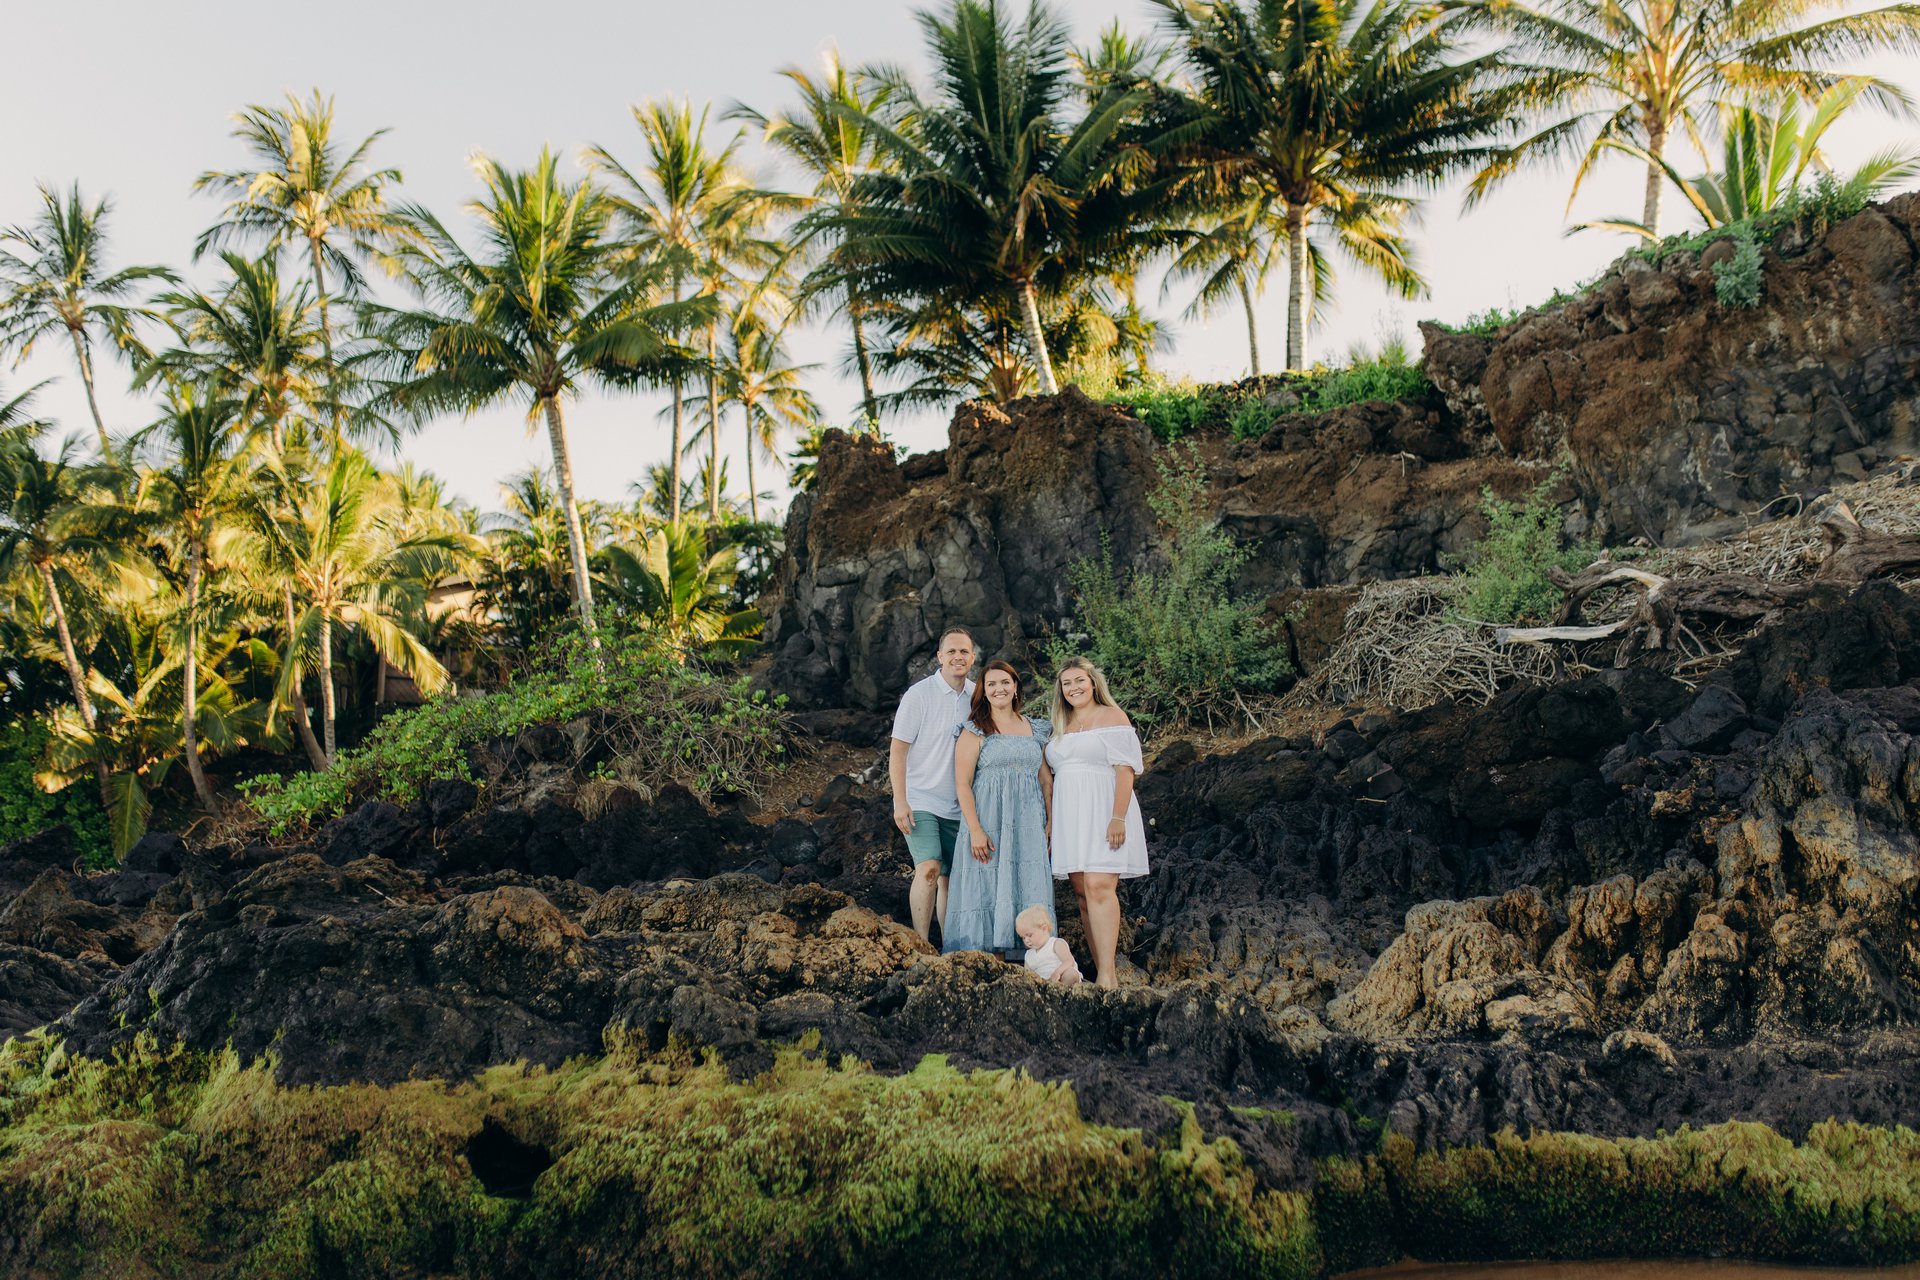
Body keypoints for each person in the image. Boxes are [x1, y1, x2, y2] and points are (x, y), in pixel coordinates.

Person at [1045, 657, 1148, 989]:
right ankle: (1101, 966)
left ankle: (1108, 975)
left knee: (1100, 887)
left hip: (1104, 810)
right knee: (1081, 893)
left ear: (1092, 683)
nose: (1074, 688)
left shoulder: (1112, 716)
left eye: (1079, 681)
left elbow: (1125, 769)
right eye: (1067, 683)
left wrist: (1117, 817)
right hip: (1070, 815)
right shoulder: (1061, 723)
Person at [947, 660, 1055, 956]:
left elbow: (1046, 780)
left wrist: (1050, 822)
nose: (999, 689)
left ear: (1016, 687)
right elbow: (962, 784)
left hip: (1028, 822)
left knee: (1027, 883)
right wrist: (976, 830)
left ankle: (1034, 959)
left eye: (1005, 682)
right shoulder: (974, 730)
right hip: (988, 820)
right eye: (991, 684)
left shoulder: (1035, 728)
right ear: (983, 692)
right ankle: (988, 960)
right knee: (989, 884)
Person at [889, 626, 977, 944]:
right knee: (929, 868)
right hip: (921, 799)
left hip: (961, 804)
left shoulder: (977, 696)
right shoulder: (919, 696)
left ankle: (949, 947)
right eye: (951, 651)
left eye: (964, 651)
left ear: (973, 657)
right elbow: (898, 751)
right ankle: (920, 944)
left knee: (950, 879)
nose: (958, 656)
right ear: (940, 657)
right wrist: (900, 800)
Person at [1016, 904, 1082, 984]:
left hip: (1060, 977)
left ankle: (1060, 990)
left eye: (1029, 935)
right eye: (1023, 937)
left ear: (1044, 929)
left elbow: (1069, 961)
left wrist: (1057, 973)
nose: (1026, 940)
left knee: (1071, 974)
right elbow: (1027, 974)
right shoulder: (1029, 955)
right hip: (1043, 983)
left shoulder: (1056, 944)